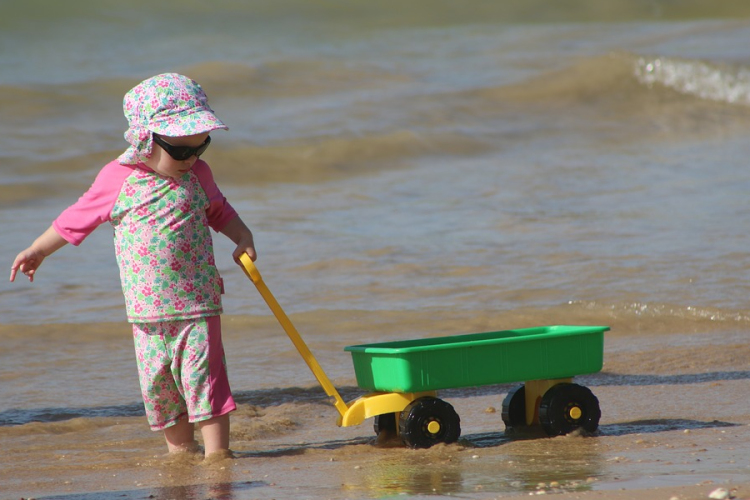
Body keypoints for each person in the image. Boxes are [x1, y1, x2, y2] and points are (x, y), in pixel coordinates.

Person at [9, 73, 256, 459]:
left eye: (200, 147)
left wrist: (242, 235)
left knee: (204, 382)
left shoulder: (198, 175)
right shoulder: (117, 179)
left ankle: (218, 457)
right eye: (180, 151)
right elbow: (78, 216)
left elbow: (219, 211)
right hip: (145, 311)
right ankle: (180, 453)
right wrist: (39, 249)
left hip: (197, 303)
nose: (190, 159)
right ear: (145, 139)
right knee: (160, 388)